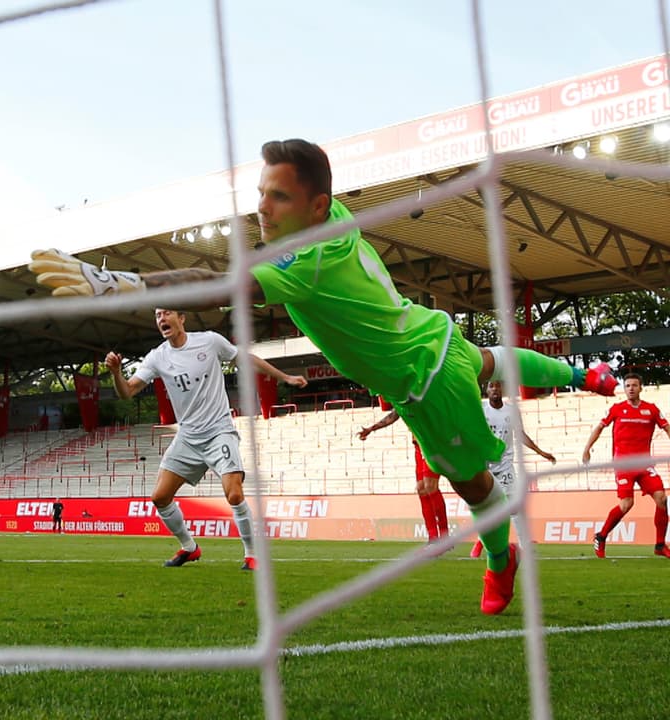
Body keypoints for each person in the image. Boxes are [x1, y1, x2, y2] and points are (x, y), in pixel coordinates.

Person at [30, 138, 618, 613]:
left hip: (424, 380)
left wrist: (125, 284)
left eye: (279, 197)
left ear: (315, 207)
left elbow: (218, 287)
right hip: (426, 332)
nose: (262, 207)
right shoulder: (333, 218)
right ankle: (580, 372)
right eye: (262, 193)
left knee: (471, 483)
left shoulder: (302, 259)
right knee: (488, 359)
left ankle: (500, 560)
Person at [106, 307, 307, 570]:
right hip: (188, 437)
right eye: (157, 315)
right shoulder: (157, 357)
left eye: (167, 313)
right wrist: (116, 373)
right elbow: (127, 392)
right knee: (160, 497)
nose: (162, 319)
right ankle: (189, 548)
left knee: (234, 494)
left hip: (218, 431)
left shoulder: (209, 341)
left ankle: (252, 554)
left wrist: (284, 376)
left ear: (181, 318)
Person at [581, 372, 670, 559]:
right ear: (624, 389)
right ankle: (601, 536)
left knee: (662, 499)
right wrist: (587, 449)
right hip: (623, 464)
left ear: (641, 388)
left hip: (645, 464)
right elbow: (599, 427)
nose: (631, 389)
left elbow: (666, 427)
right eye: (627, 385)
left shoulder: (651, 410)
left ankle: (660, 545)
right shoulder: (617, 409)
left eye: (634, 385)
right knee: (627, 504)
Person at [468, 379, 556, 558]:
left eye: (498, 386)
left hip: (506, 466)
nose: (495, 389)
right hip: (485, 467)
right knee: (488, 509)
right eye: (491, 386)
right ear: (487, 390)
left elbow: (520, 435)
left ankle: (525, 545)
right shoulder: (481, 411)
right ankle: (480, 542)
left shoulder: (512, 411)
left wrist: (540, 452)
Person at [357, 410, 450, 547]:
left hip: (432, 443)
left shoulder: (422, 398)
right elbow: (393, 416)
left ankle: (444, 536)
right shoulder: (402, 402)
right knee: (421, 489)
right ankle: (433, 537)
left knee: (430, 486)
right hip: (419, 446)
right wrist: (371, 429)